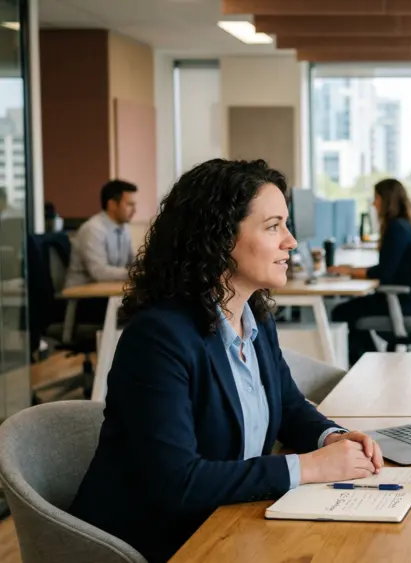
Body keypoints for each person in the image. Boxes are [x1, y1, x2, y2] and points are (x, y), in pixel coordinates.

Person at [69, 159, 384, 563]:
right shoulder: (158, 339)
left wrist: (332, 439)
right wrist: (310, 468)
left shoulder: (256, 320)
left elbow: (287, 407)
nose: (291, 241)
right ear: (218, 238)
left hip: (226, 524)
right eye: (273, 227)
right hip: (156, 545)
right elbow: (178, 483)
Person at [329, 178, 411, 365]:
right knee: (349, 308)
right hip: (409, 299)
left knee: (341, 312)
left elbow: (383, 274)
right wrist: (351, 270)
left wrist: (349, 271)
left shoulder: (396, 228)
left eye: (376, 198)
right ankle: (370, 360)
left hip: (401, 302)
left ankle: (366, 363)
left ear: (387, 200)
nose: (374, 203)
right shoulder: (404, 224)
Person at [65, 180, 137, 288]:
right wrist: (136, 273)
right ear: (112, 205)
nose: (135, 210)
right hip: (84, 296)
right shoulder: (93, 229)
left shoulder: (124, 228)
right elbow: (99, 272)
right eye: (129, 204)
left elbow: (132, 261)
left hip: (106, 291)